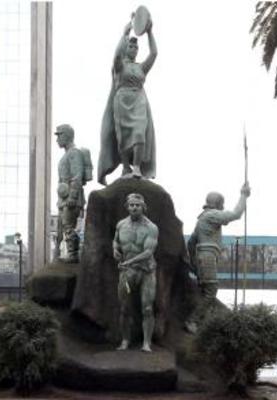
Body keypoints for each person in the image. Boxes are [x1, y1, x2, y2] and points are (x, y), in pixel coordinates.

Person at [98, 14, 157, 184]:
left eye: (135, 47)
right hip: (122, 100)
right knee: (122, 136)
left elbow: (154, 53)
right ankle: (125, 166)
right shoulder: (119, 66)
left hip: (138, 100)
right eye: (130, 46)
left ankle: (137, 166)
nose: (133, 48)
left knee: (139, 133)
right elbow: (116, 56)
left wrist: (149, 32)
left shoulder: (141, 68)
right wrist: (125, 34)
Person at [185, 182, 251, 334]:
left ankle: (200, 320)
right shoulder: (211, 215)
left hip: (204, 257)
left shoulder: (201, 219)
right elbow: (236, 214)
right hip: (207, 257)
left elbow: (191, 243)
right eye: (222, 203)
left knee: (205, 291)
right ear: (218, 204)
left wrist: (194, 263)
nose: (223, 206)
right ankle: (192, 320)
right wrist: (243, 195)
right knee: (211, 290)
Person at [113, 193, 159, 352]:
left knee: (147, 308)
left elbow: (148, 252)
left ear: (143, 207)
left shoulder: (151, 227)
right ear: (127, 207)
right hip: (127, 272)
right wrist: (115, 250)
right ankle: (125, 340)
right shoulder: (120, 225)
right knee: (124, 308)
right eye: (131, 205)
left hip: (146, 271)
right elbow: (116, 241)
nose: (134, 207)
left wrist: (129, 262)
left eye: (137, 205)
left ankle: (147, 343)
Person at [55, 124, 92, 263]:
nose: (57, 139)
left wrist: (72, 196)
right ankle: (68, 253)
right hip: (64, 198)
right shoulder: (67, 154)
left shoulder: (74, 153)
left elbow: (77, 176)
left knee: (68, 226)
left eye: (59, 135)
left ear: (67, 135)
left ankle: (73, 254)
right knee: (64, 226)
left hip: (72, 198)